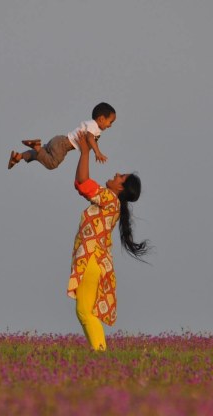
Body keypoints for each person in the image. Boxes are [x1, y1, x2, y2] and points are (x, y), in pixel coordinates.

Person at [66, 132, 149, 351]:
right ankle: (98, 353)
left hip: (92, 261)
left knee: (84, 312)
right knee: (84, 312)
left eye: (120, 176)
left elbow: (84, 182)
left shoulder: (110, 199)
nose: (116, 174)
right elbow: (81, 185)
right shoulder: (112, 203)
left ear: (120, 188)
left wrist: (84, 152)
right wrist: (84, 153)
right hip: (95, 262)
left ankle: (100, 355)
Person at [8, 102, 116, 170]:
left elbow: (92, 141)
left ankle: (19, 156)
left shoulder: (92, 127)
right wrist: (98, 152)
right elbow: (90, 138)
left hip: (59, 140)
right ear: (101, 119)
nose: (110, 126)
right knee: (52, 164)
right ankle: (36, 146)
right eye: (110, 122)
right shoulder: (94, 126)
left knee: (40, 155)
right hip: (62, 146)